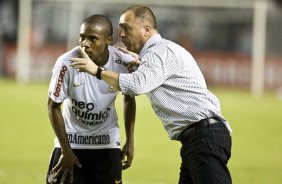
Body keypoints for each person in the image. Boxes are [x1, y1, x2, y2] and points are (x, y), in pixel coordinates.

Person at [70, 5, 232, 184]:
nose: (121, 34)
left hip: (204, 138)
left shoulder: (158, 53)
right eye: (120, 28)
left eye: (126, 28)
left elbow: (136, 86)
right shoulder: (158, 53)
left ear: (146, 30)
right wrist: (141, 65)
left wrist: (97, 71)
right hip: (198, 139)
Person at [46, 14, 136, 184]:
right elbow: (53, 106)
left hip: (107, 142)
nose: (85, 43)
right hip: (70, 141)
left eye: (92, 39)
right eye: (82, 37)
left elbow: (129, 98)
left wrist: (130, 141)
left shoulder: (122, 63)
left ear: (108, 40)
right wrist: (65, 150)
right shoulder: (66, 63)